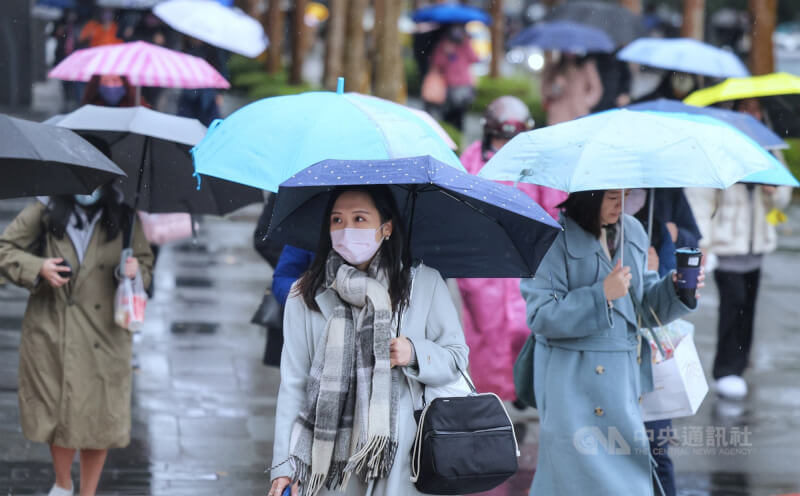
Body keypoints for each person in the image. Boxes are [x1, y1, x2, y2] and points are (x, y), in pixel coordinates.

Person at [269, 186, 469, 496]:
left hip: (402, 457)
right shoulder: (304, 294)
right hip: (329, 464)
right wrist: (284, 466)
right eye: (337, 220)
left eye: (359, 218)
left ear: (386, 228)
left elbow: (456, 358)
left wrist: (415, 353)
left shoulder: (423, 284)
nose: (346, 230)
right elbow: (294, 384)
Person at [521, 189, 701, 495]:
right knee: (573, 481)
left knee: (625, 480)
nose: (622, 203)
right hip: (570, 384)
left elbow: (641, 309)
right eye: (612, 196)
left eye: (625, 194)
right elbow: (541, 316)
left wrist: (676, 291)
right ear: (589, 196)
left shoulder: (632, 230)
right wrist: (600, 294)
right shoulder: (551, 238)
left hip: (622, 382)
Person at [0, 183, 154, 496]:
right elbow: (5, 249)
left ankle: (88, 492)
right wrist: (38, 266)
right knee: (59, 410)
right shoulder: (44, 210)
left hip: (105, 334)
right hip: (54, 328)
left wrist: (135, 271)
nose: (90, 187)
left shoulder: (125, 216)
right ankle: (62, 482)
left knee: (100, 418)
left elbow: (146, 266)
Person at [457, 96, 566, 402]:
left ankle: (522, 388)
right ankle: (488, 399)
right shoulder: (472, 158)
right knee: (484, 336)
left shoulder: (537, 162)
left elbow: (553, 209)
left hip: (526, 263)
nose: (504, 145)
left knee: (525, 329)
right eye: (500, 137)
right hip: (481, 267)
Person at [427, 25, 479, 130]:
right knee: (448, 114)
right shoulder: (443, 46)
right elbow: (437, 63)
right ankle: (451, 134)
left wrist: (467, 43)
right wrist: (446, 53)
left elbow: (474, 58)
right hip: (448, 85)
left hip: (464, 85)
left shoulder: (465, 45)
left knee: (460, 114)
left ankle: (459, 135)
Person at [541, 53, 603, 125]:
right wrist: (557, 86)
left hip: (579, 114)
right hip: (558, 116)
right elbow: (545, 91)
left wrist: (583, 101)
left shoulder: (586, 66)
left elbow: (596, 90)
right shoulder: (553, 67)